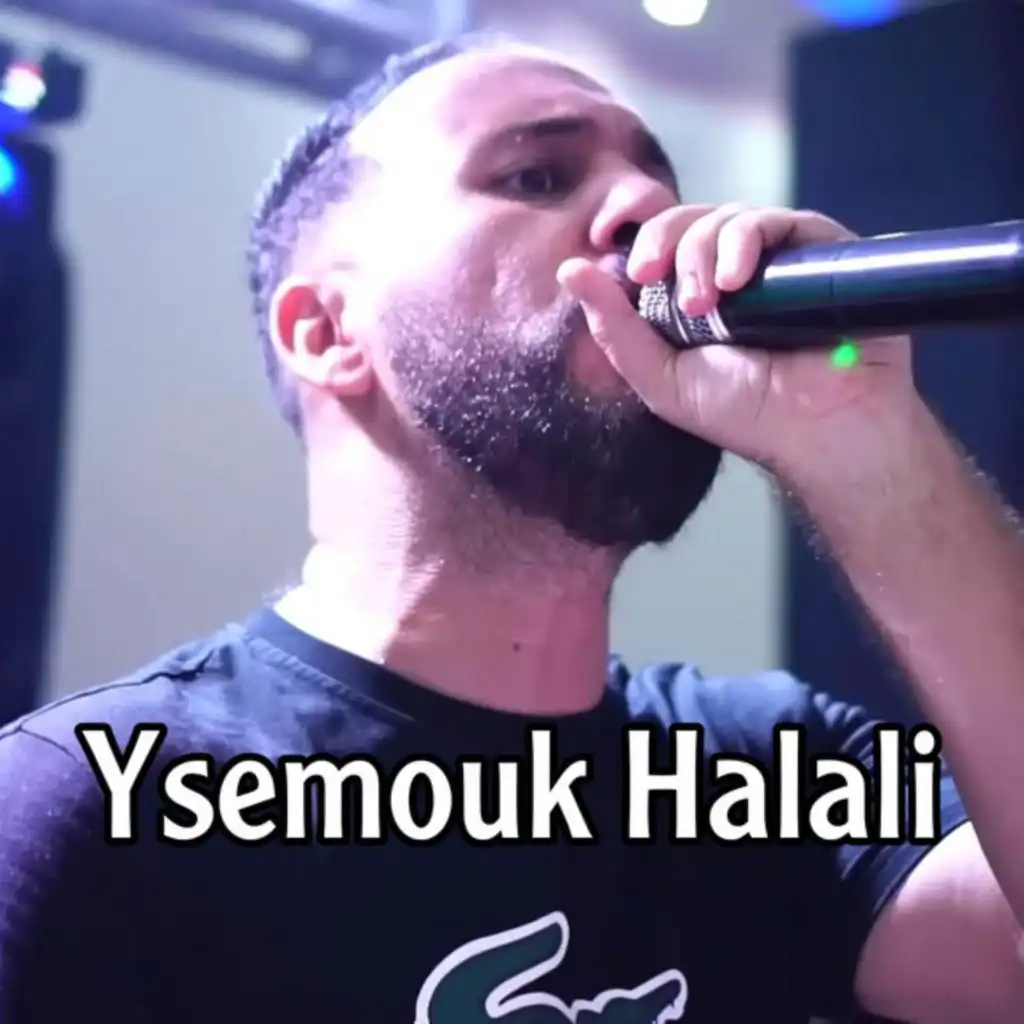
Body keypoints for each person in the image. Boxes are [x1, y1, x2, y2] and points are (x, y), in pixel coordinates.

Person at [1, 31, 1022, 1024]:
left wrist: (865, 441)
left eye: (655, 179)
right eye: (538, 176)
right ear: (327, 330)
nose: (646, 207)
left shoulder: (767, 775)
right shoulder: (92, 807)